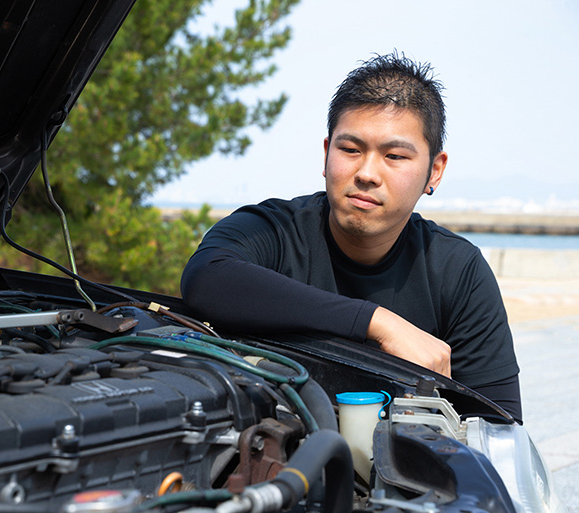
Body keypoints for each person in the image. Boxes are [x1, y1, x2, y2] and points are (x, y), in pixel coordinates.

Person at [180, 53, 521, 421]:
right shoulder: (275, 228)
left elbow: (499, 423)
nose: (367, 173)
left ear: (434, 172)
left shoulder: (458, 271)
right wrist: (376, 322)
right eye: (350, 150)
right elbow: (206, 277)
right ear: (327, 154)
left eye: (394, 155)